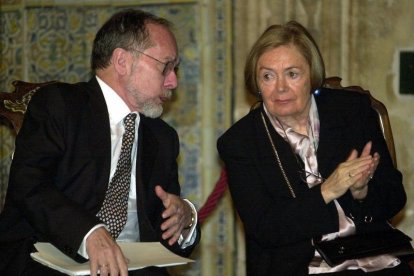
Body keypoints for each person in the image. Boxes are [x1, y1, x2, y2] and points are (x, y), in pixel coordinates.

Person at [0, 9, 200, 276]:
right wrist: (90, 233)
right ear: (122, 61)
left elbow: (164, 239)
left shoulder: (162, 138)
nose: (173, 81)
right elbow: (29, 185)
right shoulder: (60, 105)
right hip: (52, 258)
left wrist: (184, 221)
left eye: (175, 69)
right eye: (165, 66)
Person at [217, 21, 413, 275]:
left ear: (312, 75)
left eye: (292, 74)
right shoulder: (240, 142)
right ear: (256, 83)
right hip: (300, 264)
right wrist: (327, 190)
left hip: (372, 254)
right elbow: (265, 228)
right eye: (268, 76)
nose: (280, 88)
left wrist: (362, 192)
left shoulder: (353, 112)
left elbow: (395, 197)